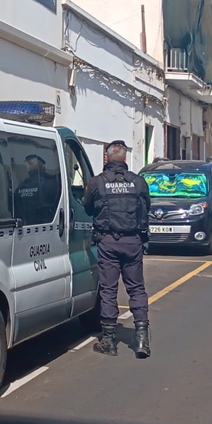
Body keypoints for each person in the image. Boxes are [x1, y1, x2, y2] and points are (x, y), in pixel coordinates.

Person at [83, 140, 152, 359]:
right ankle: (142, 337)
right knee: (136, 288)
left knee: (108, 290)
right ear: (124, 158)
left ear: (106, 158)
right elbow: (146, 206)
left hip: (108, 242)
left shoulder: (97, 182)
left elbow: (87, 207)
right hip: (133, 242)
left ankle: (109, 340)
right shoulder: (138, 182)